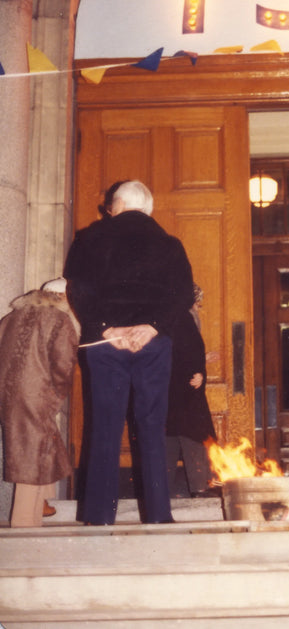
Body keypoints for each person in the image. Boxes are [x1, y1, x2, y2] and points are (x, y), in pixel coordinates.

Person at [64, 180, 195, 525]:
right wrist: (151, 326)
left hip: (104, 344)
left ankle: (97, 518)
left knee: (104, 427)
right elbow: (183, 295)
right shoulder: (170, 245)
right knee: (152, 427)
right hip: (152, 344)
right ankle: (158, 516)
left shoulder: (89, 238)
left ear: (116, 205)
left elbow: (78, 289)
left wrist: (107, 327)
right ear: (148, 209)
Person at [0, 277, 80, 527]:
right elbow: (64, 365)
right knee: (31, 455)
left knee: (39, 447)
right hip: (38, 394)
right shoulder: (60, 320)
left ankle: (43, 502)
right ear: (63, 298)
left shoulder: (10, 318)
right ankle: (24, 523)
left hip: (9, 393)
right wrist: (57, 395)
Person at [166, 284, 219, 498]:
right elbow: (186, 351)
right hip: (184, 389)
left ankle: (161, 490)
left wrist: (199, 365)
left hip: (171, 388)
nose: (199, 307)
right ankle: (200, 487)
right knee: (193, 437)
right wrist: (197, 371)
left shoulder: (170, 318)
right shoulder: (184, 318)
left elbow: (179, 353)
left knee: (170, 436)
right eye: (197, 301)